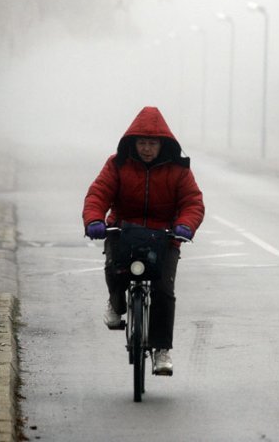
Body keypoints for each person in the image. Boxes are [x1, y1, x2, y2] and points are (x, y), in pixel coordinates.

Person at [82, 106, 204, 375]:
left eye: (152, 143)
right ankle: (116, 303)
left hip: (165, 237)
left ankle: (162, 351)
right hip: (123, 230)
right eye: (142, 143)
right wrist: (94, 220)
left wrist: (185, 226)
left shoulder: (179, 169)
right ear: (132, 143)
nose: (147, 149)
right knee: (115, 269)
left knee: (163, 290)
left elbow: (192, 202)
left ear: (163, 144)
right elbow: (98, 194)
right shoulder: (117, 164)